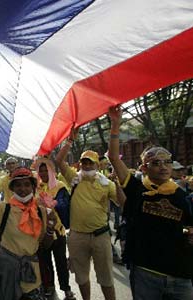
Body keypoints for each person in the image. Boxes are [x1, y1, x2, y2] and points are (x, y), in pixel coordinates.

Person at [108, 105, 193, 300]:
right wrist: (115, 124)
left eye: (167, 161)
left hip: (180, 275)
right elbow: (113, 157)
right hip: (146, 273)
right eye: (156, 162)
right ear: (144, 168)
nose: (163, 166)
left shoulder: (182, 196)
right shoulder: (137, 188)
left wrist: (188, 233)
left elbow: (188, 226)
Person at [55, 129, 123, 300]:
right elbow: (59, 160)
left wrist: (118, 184)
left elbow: (122, 203)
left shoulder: (107, 183)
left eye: (90, 163)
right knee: (81, 276)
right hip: (77, 236)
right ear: (79, 164)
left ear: (97, 165)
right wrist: (69, 140)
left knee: (106, 278)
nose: (87, 166)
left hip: (100, 236)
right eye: (84, 163)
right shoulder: (74, 178)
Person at [0, 164, 56, 300]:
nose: (23, 189)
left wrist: (50, 227)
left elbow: (46, 245)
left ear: (33, 187)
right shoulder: (4, 208)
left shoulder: (41, 211)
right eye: (18, 185)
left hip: (32, 275)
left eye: (27, 184)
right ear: (12, 188)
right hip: (6, 272)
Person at [35, 158, 75, 300]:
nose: (44, 173)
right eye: (41, 170)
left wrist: (53, 204)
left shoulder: (59, 186)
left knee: (61, 262)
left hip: (58, 231)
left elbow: (65, 206)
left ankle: (66, 289)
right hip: (41, 233)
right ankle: (49, 287)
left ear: (52, 171)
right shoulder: (35, 187)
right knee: (45, 262)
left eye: (46, 170)